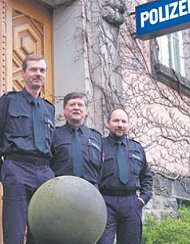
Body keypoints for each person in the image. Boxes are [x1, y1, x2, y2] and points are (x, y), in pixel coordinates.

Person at [0, 54, 55, 244]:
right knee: (14, 231)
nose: (38, 74)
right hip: (17, 168)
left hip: (45, 172)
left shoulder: (49, 109)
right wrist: (5, 171)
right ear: (23, 73)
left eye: (42, 70)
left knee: (41, 232)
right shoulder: (8, 101)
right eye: (33, 69)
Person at [98, 108, 153, 244]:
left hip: (131, 203)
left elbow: (146, 177)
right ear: (108, 123)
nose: (120, 125)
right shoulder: (99, 146)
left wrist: (142, 200)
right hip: (105, 202)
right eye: (116, 120)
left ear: (128, 125)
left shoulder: (137, 148)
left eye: (124, 121)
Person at [50, 92, 102, 188]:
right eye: (72, 105)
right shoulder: (54, 135)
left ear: (86, 111)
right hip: (61, 190)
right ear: (64, 110)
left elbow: (102, 170)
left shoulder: (96, 137)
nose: (76, 108)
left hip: (90, 191)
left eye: (80, 105)